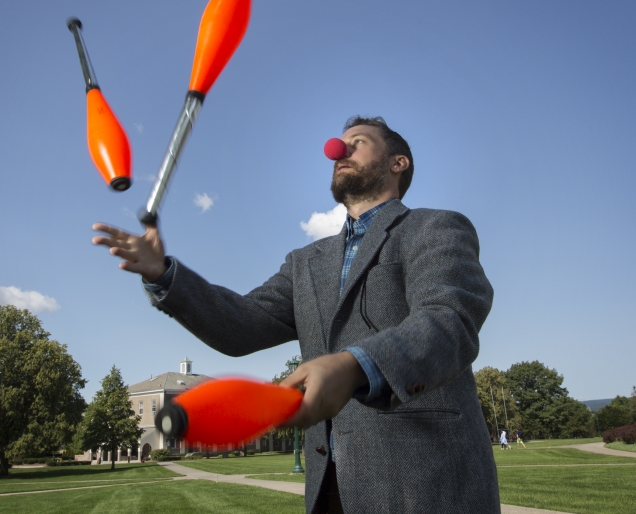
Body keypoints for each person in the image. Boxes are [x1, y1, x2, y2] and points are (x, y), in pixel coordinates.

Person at [93, 116, 499, 514]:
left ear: (398, 163)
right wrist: (165, 275)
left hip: (426, 483)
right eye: (341, 143)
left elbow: (449, 320)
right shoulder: (305, 263)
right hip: (327, 488)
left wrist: (358, 365)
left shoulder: (436, 228)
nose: (337, 150)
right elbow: (240, 326)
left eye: (357, 141)